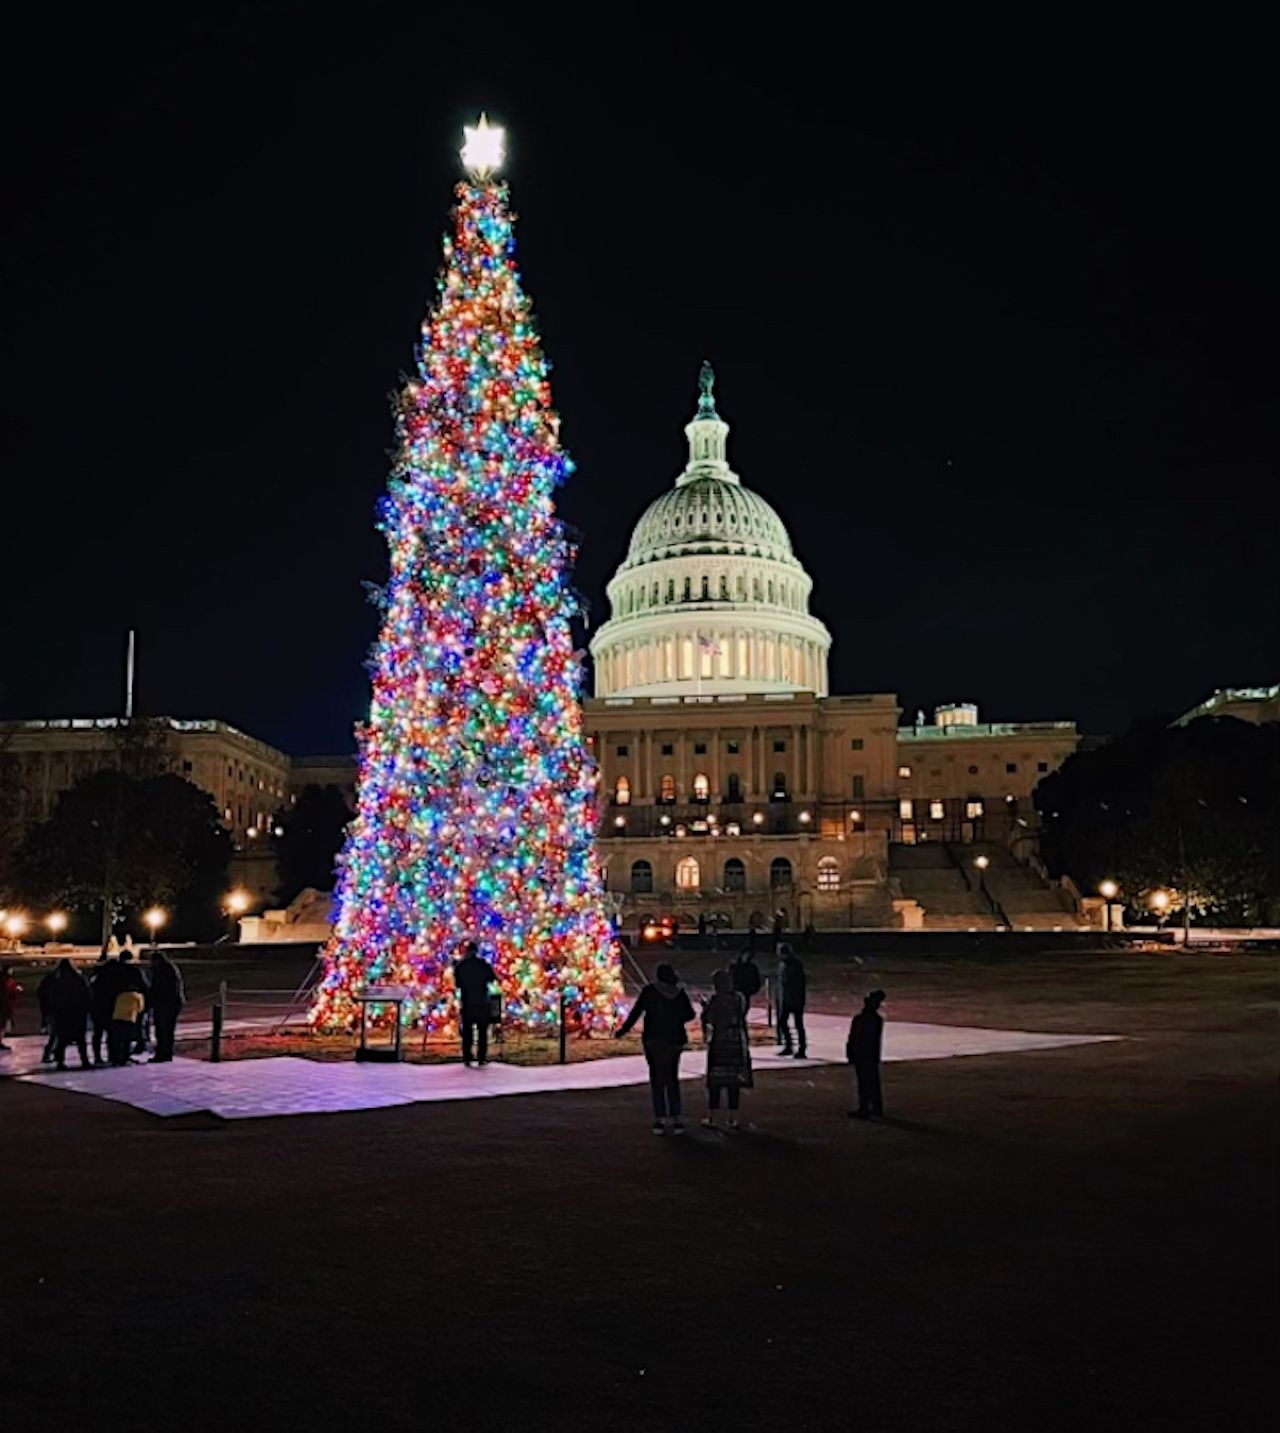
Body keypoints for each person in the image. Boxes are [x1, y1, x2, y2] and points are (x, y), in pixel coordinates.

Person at [614, 962, 696, 1134]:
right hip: (674, 1039)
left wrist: (623, 1030)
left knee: (657, 1078)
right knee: (672, 1077)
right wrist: (675, 1018)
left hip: (654, 1038)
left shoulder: (650, 991)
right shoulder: (679, 993)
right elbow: (690, 1014)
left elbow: (636, 1012)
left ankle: (659, 1119)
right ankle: (676, 1118)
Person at [701, 969, 753, 1129]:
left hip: (720, 1040)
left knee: (716, 1080)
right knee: (734, 1080)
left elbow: (709, 1018)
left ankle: (713, 1116)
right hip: (737, 1040)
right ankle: (732, 1117)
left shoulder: (715, 1000)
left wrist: (705, 1007)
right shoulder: (739, 998)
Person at [453, 940, 497, 1066]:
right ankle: (481, 1057)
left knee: (467, 1031)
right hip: (482, 1001)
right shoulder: (482, 964)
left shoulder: (461, 965)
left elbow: (458, 984)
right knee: (482, 1031)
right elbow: (491, 977)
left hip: (467, 1001)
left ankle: (467, 1057)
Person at [847, 990, 887, 1118]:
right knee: (868, 1082)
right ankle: (871, 1107)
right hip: (866, 1055)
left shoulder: (864, 1019)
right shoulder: (871, 1020)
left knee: (867, 1082)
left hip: (865, 1054)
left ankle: (870, 1107)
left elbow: (855, 1038)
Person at [50, 959, 93, 1071]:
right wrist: (88, 1008)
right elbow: (87, 994)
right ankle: (84, 1060)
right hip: (77, 1012)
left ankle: (60, 1061)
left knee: (62, 1039)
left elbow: (49, 995)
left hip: (62, 1013)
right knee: (80, 1039)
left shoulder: (56, 980)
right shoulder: (78, 979)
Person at [147, 951, 186, 1063]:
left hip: (166, 1005)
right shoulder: (168, 969)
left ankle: (163, 1054)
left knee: (164, 1030)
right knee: (165, 1031)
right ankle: (165, 1053)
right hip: (168, 1004)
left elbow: (162, 989)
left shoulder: (164, 971)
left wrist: (154, 1001)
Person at [775, 944, 807, 1058]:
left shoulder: (796, 965)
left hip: (795, 999)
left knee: (798, 1024)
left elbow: (799, 983)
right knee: (783, 1022)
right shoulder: (782, 965)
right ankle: (789, 1045)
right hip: (785, 999)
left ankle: (801, 1048)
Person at [90, 953, 118, 1066]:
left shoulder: (97, 978)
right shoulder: (114, 980)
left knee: (98, 1033)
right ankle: (112, 1055)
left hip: (98, 1009)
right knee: (111, 1033)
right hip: (110, 1008)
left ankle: (97, 1056)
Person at [37, 965, 59, 1063]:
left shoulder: (45, 985)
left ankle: (52, 1053)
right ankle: (50, 1053)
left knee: (55, 1034)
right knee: (55, 1034)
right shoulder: (53, 985)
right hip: (54, 1012)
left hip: (50, 1011)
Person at [0, 965, 22, 1051]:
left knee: (3, 1025)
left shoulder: (8, 981)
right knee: (2, 1025)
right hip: (5, 1006)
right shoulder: (6, 982)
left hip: (6, 1006)